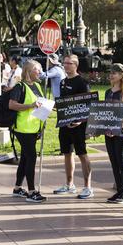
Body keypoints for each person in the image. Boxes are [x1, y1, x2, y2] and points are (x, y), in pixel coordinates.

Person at [53, 54, 93, 199]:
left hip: (79, 125)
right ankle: (69, 184)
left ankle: (88, 187)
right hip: (65, 124)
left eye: (69, 63)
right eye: (64, 63)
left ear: (75, 65)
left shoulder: (82, 82)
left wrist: (81, 120)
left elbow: (89, 104)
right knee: (67, 153)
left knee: (82, 154)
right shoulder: (62, 82)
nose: (66, 65)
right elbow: (64, 102)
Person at [8, 60, 46, 203]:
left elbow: (40, 104)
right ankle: (31, 191)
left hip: (34, 127)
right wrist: (30, 105)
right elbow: (12, 105)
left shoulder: (37, 86)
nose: (40, 73)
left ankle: (18, 188)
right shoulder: (19, 87)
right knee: (31, 157)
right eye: (38, 70)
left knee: (25, 157)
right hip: (23, 129)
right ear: (29, 71)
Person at [104, 63, 123, 204]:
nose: (111, 75)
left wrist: (116, 128)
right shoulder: (108, 92)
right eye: (111, 72)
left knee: (121, 161)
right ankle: (119, 191)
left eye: (114, 73)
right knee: (114, 162)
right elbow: (105, 112)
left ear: (122, 75)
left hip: (121, 132)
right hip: (108, 132)